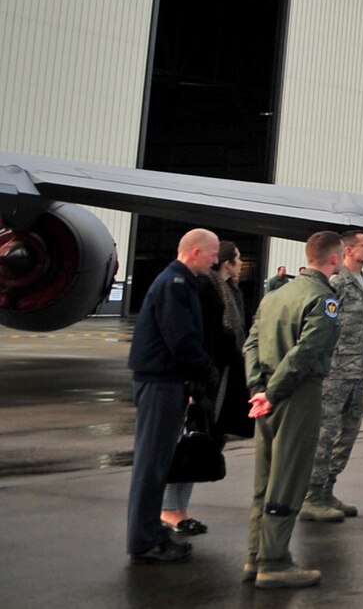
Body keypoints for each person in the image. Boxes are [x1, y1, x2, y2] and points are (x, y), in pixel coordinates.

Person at [242, 231, 343, 589]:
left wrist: (258, 388)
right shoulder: (323, 299)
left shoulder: (275, 295)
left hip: (267, 393)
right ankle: (275, 561)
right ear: (334, 259)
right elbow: (306, 351)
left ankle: (255, 556)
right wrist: (274, 391)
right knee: (288, 478)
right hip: (297, 394)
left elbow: (251, 343)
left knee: (264, 479)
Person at [127, 227, 219, 564]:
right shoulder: (175, 285)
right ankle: (144, 540)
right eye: (212, 254)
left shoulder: (178, 283)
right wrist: (204, 371)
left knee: (157, 464)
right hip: (161, 383)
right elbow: (181, 339)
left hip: (166, 381)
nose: (216, 260)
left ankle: (151, 532)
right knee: (151, 466)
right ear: (196, 252)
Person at [161, 239, 252, 537]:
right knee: (184, 444)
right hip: (199, 379)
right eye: (238, 260)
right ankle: (169, 510)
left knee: (199, 445)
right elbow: (196, 338)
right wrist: (194, 382)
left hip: (218, 378)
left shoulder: (230, 292)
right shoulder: (205, 289)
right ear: (228, 263)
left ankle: (179, 510)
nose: (241, 265)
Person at [302, 230, 363, 522]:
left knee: (349, 432)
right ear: (347, 249)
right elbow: (323, 325)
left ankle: (328, 488)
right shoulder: (337, 282)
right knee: (326, 434)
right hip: (336, 371)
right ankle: (312, 495)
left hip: (359, 369)